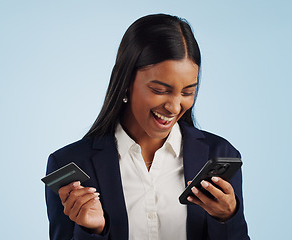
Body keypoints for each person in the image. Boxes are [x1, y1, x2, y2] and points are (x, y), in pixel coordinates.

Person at [45, 13, 250, 240]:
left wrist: (227, 217)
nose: (173, 107)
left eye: (187, 92)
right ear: (125, 83)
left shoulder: (218, 155)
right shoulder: (70, 165)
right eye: (160, 90)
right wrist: (93, 231)